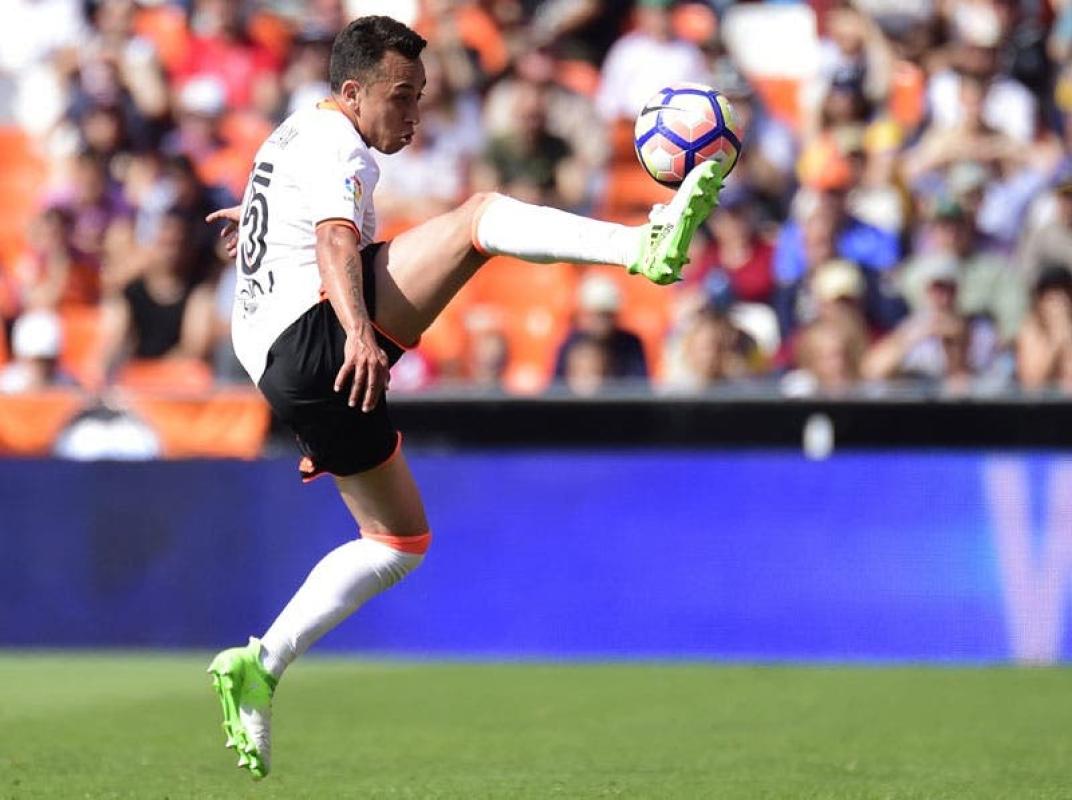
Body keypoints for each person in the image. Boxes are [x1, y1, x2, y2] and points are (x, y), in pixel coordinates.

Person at [203, 15, 725, 780]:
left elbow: (296, 222)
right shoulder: (336, 143)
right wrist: (358, 333)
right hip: (316, 334)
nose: (414, 114)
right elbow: (334, 241)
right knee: (478, 220)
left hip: (282, 372)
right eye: (401, 96)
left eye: (420, 96)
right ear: (352, 92)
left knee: (397, 542)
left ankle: (260, 664)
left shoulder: (292, 134)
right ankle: (642, 246)